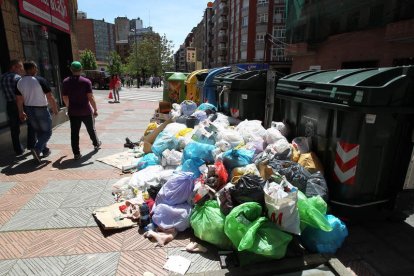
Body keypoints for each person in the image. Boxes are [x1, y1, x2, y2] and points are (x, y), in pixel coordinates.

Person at [16, 61, 58, 163]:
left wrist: (21, 112)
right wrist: (55, 108)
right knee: (47, 132)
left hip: (29, 109)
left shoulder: (20, 82)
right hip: (40, 109)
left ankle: (45, 150)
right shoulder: (39, 80)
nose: (37, 70)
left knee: (39, 131)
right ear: (30, 69)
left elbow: (19, 99)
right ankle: (37, 149)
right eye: (35, 68)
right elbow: (50, 96)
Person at [62, 61, 102, 160]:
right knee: (91, 129)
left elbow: (65, 97)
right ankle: (96, 144)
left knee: (74, 133)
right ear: (81, 69)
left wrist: (68, 107)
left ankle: (76, 153)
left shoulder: (66, 81)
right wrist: (95, 109)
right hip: (86, 111)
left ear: (71, 69)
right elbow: (90, 97)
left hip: (73, 112)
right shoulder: (86, 82)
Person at [0, 59, 35, 156]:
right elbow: (21, 94)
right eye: (20, 67)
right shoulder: (18, 78)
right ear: (14, 67)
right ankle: (31, 144)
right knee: (31, 123)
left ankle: (18, 149)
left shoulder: (2, 77)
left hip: (9, 104)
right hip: (20, 104)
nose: (22, 69)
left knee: (14, 128)